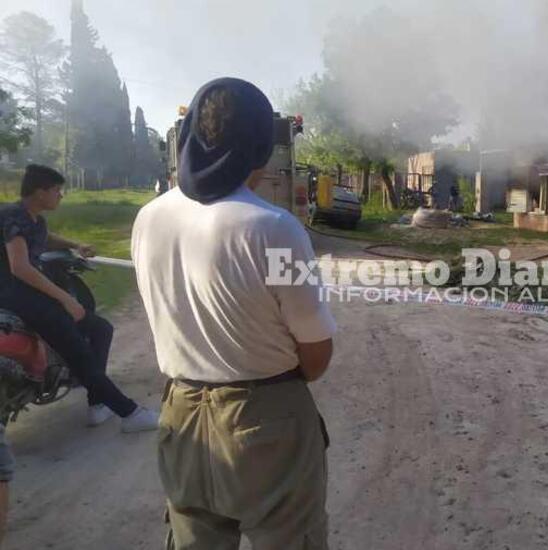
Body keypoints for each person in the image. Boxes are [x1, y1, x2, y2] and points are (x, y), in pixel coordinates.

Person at [132, 78, 335, 549]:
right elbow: (316, 356)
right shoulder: (274, 227)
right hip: (266, 420)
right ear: (260, 148)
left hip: (181, 417)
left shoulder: (149, 218)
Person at [0, 165, 159, 432]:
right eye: (56, 190)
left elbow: (43, 238)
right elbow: (20, 267)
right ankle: (130, 415)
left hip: (28, 292)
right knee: (79, 353)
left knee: (100, 329)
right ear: (40, 192)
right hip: (16, 294)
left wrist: (75, 245)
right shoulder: (12, 216)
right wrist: (65, 298)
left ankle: (98, 403)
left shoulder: (33, 218)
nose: (60, 196)